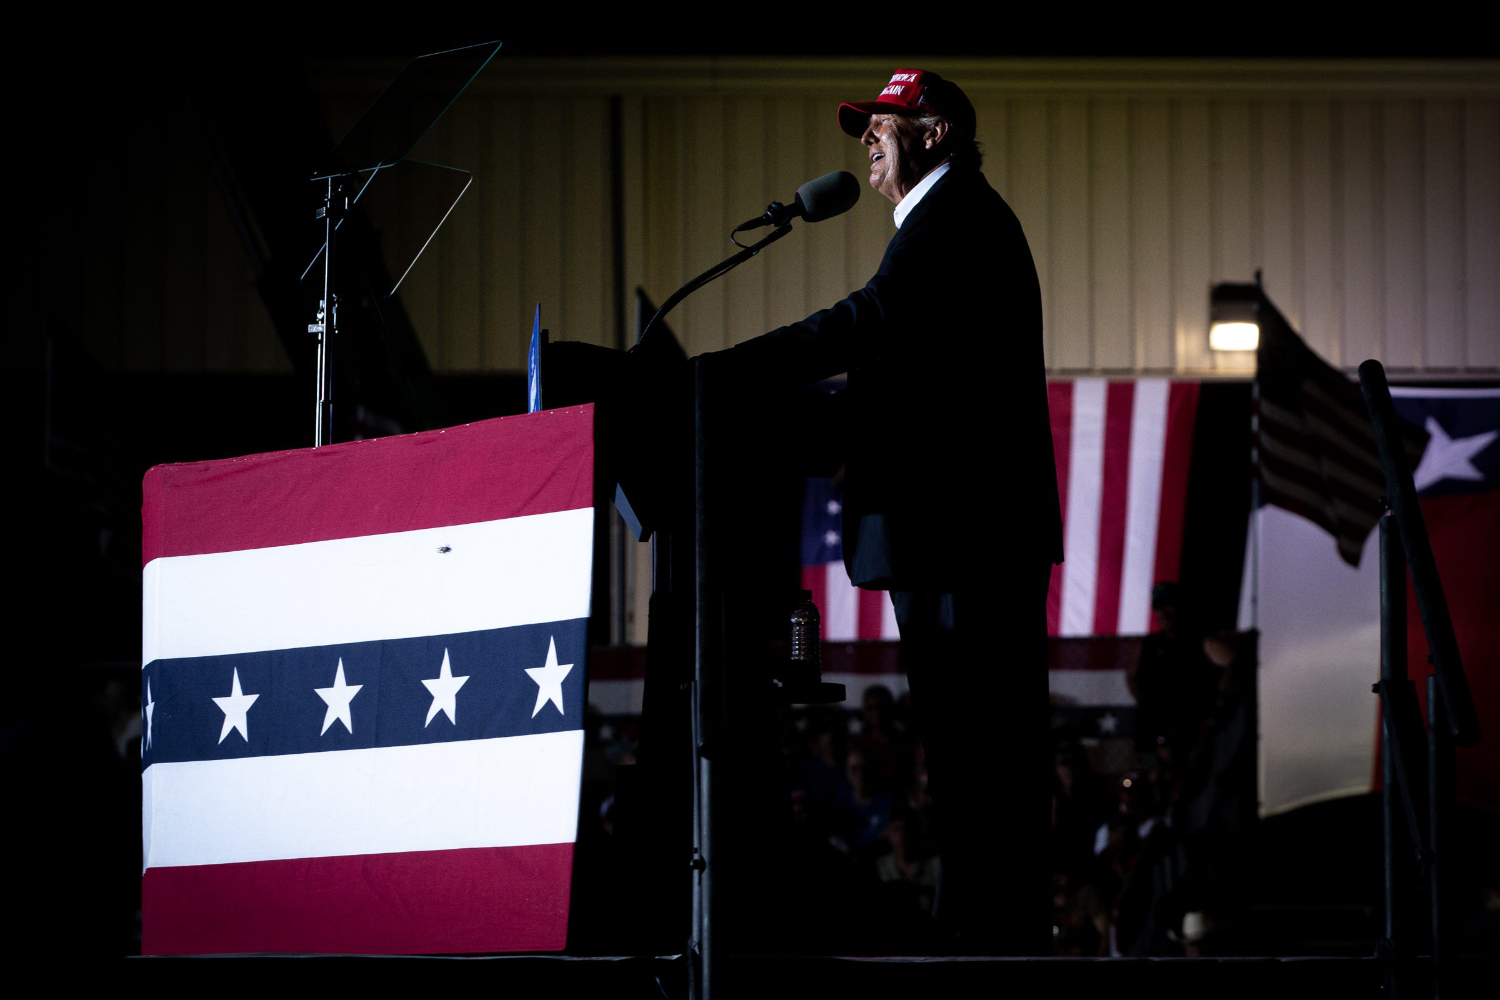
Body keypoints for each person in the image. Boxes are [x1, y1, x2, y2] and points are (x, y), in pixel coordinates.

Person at [701, 68, 1062, 953]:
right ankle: (994, 933)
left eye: (883, 124)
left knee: (981, 759)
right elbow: (907, 390)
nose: (866, 139)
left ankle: (1000, 943)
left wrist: (724, 373)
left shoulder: (957, 219)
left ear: (934, 133)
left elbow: (868, 322)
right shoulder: (941, 224)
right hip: (951, 535)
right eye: (863, 127)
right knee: (971, 758)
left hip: (962, 541)